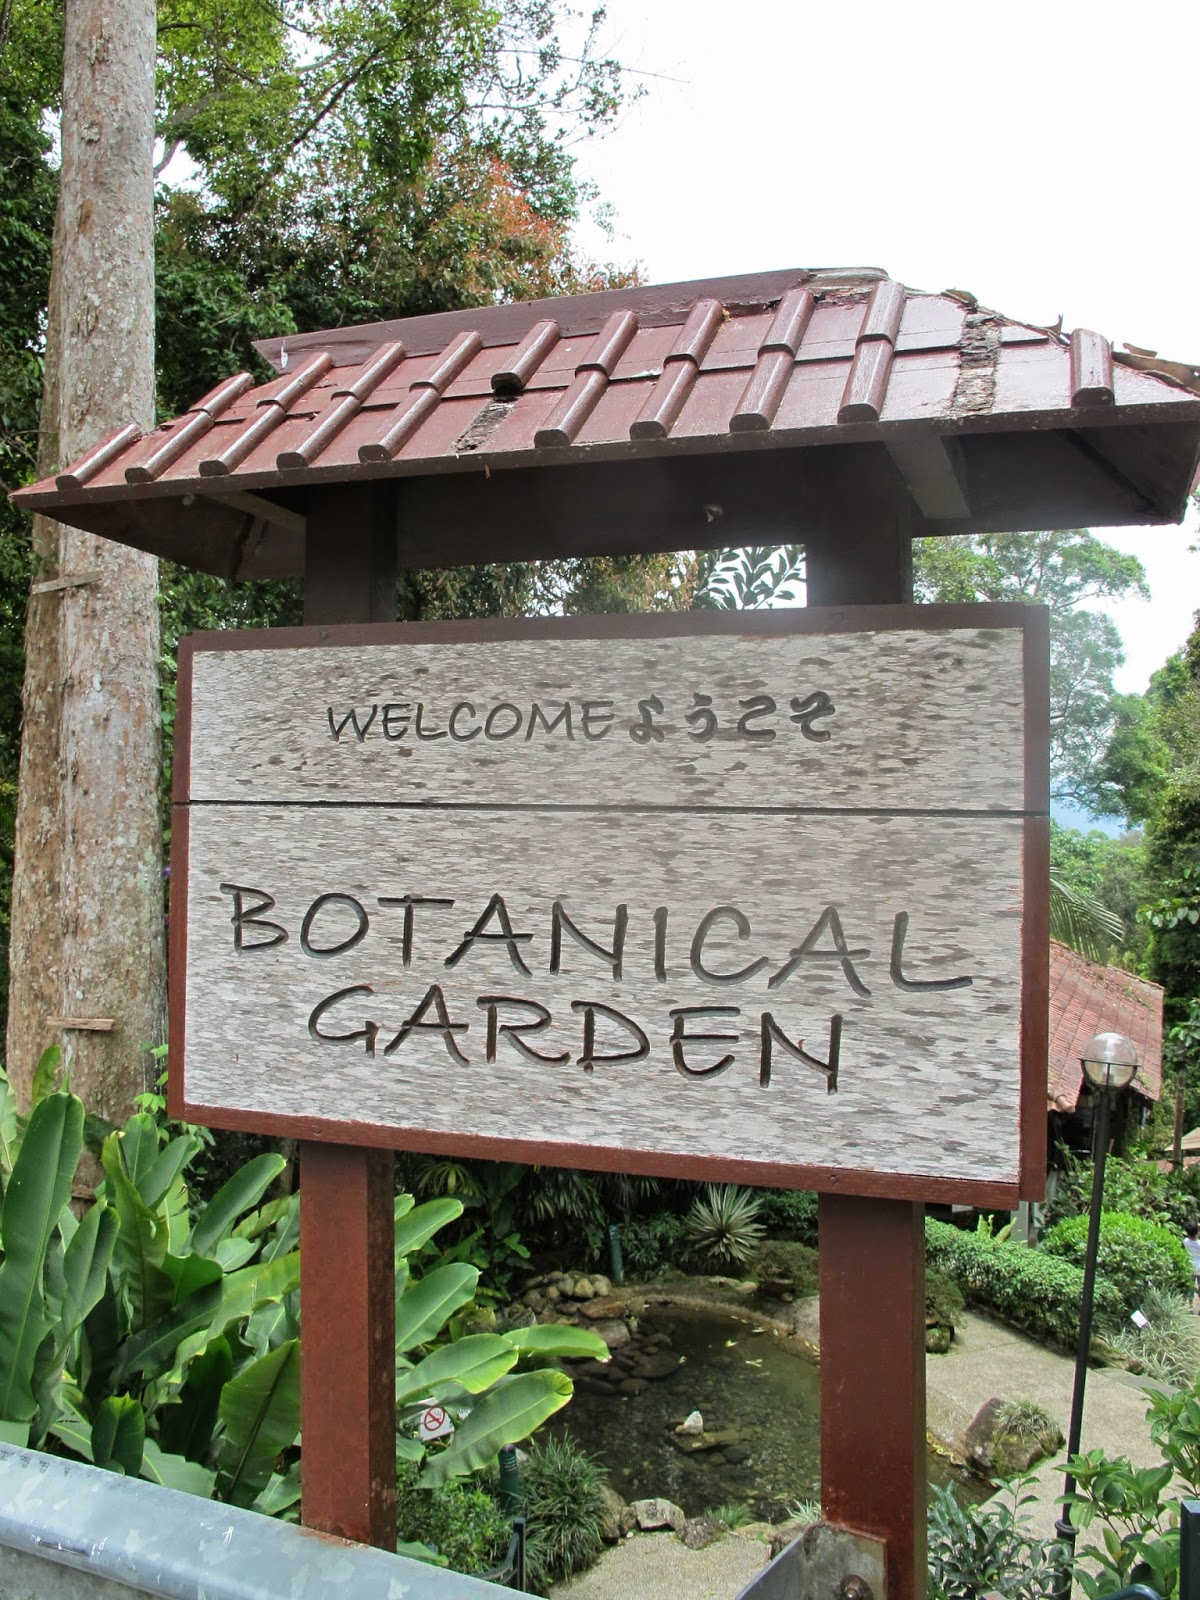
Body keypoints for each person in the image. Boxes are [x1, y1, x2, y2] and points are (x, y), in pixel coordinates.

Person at [1184, 1222, 1200, 1311]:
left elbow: (1191, 1232)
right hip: (1199, 1268)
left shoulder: (1185, 1241)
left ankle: (1190, 1307)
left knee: (1190, 1287)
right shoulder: (1199, 1244)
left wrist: (1196, 1228)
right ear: (1197, 1232)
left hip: (1190, 1267)